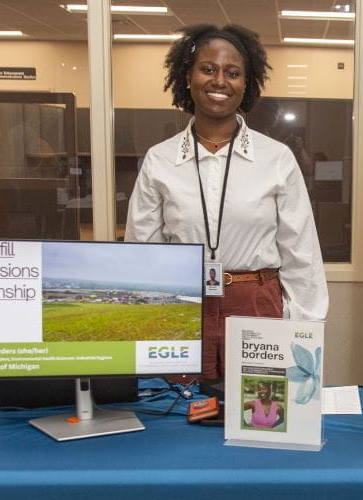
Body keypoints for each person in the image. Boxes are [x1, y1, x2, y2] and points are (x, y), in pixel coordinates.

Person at [125, 23, 328, 379]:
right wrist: (146, 321)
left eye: (232, 73)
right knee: (181, 404)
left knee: (259, 406)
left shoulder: (276, 158)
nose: (219, 81)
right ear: (187, 77)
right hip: (183, 304)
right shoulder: (160, 160)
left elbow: (302, 254)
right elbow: (142, 252)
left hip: (257, 304)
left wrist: (303, 330)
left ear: (246, 84)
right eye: (208, 69)